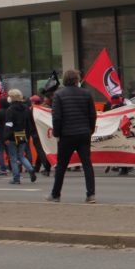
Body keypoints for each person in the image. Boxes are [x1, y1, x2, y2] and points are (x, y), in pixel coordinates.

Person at [47, 70, 98, 203]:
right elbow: (92, 114)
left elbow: (56, 117)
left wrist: (57, 133)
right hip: (83, 133)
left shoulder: (58, 94)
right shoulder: (86, 93)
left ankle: (55, 194)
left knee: (62, 166)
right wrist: (90, 129)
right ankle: (90, 194)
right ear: (77, 80)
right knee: (87, 164)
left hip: (67, 134)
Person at [4, 89, 37, 185]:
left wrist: (5, 137)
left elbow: (9, 124)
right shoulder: (26, 108)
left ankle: (16, 178)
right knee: (21, 155)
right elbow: (30, 122)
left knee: (13, 157)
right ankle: (30, 169)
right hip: (22, 133)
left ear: (12, 98)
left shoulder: (10, 110)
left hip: (12, 135)